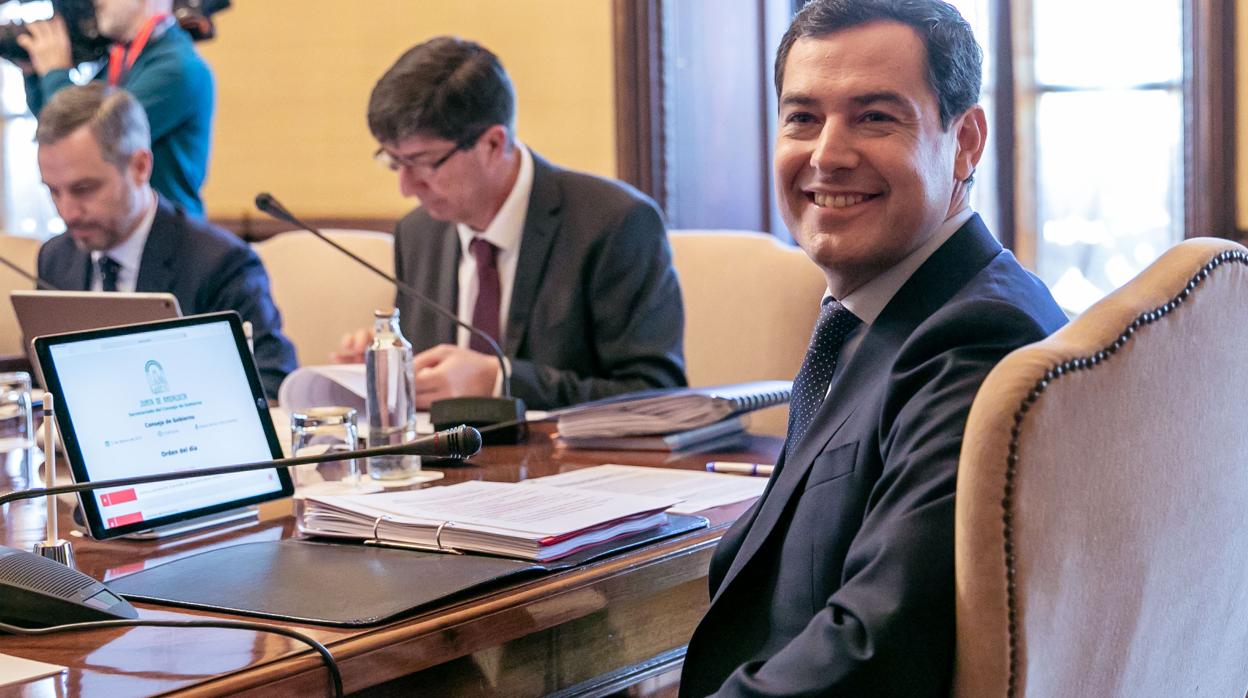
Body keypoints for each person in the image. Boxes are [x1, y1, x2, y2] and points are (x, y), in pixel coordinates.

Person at [677, 1, 1067, 695]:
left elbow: (875, 649)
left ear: (966, 141)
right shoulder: (883, 312)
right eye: (802, 117)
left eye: (875, 117)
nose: (827, 154)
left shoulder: (978, 339)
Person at [335, 36, 686, 411]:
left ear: (493, 143)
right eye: (394, 162)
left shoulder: (615, 223)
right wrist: (394, 366)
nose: (406, 187)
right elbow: (438, 374)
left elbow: (656, 395)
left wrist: (499, 381)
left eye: (422, 163)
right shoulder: (417, 233)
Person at [35, 84, 295, 400]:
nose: (67, 212)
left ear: (140, 167)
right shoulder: (56, 258)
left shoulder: (220, 263)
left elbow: (270, 381)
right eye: (53, 191)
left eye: (84, 189)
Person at [18, 0, 213, 217]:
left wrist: (55, 71)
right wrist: (34, 74)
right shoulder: (122, 61)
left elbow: (84, 137)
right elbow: (56, 130)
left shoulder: (177, 68)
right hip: (113, 228)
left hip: (167, 232)